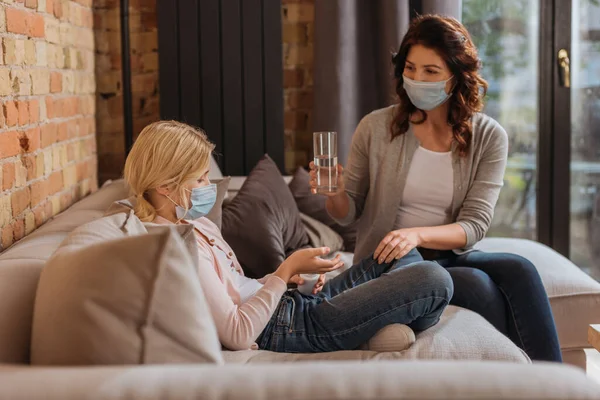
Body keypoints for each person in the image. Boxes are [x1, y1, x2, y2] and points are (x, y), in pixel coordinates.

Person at [309, 14, 561, 362]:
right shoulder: (376, 127)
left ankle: (554, 384)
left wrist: (416, 234)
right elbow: (348, 211)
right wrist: (334, 193)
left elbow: (474, 226)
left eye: (431, 71)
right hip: (388, 258)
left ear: (456, 77)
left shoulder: (488, 137)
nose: (416, 79)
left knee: (521, 269)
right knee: (479, 287)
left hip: (446, 252)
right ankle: (519, 382)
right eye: (411, 68)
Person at [122, 120, 453, 353]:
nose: (209, 189)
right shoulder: (177, 248)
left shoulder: (199, 224)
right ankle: (368, 328)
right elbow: (237, 333)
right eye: (200, 180)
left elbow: (239, 287)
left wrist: (295, 279)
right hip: (288, 327)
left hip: (291, 303)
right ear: (164, 186)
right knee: (434, 278)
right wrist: (283, 272)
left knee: (400, 251)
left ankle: (370, 324)